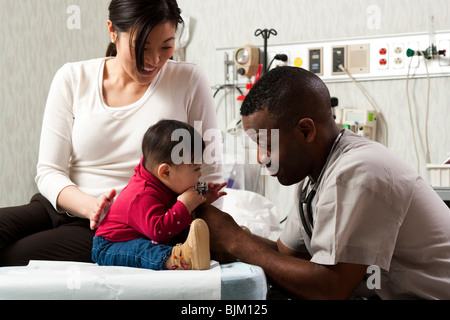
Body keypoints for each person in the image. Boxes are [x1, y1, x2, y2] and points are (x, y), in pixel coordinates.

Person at [0, 0, 223, 267]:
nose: (154, 60)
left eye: (166, 46)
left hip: (119, 227)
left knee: (10, 258)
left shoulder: (188, 80)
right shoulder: (73, 77)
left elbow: (209, 173)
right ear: (112, 32)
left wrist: (196, 214)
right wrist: (90, 206)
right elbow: (48, 171)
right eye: (141, 47)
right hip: (60, 206)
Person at [196, 66, 450, 300]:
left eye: (267, 145)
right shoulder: (314, 177)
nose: (262, 158)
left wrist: (236, 241)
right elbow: (288, 257)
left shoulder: (357, 172)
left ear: (305, 131)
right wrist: (230, 232)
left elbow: (330, 288)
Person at [92, 120, 227, 270]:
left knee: (189, 232)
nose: (200, 174)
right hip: (112, 245)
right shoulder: (141, 195)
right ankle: (181, 258)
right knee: (143, 249)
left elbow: (185, 193)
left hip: (146, 234)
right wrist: (185, 205)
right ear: (165, 172)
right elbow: (159, 232)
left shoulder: (165, 180)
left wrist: (204, 195)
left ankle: (220, 246)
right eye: (196, 169)